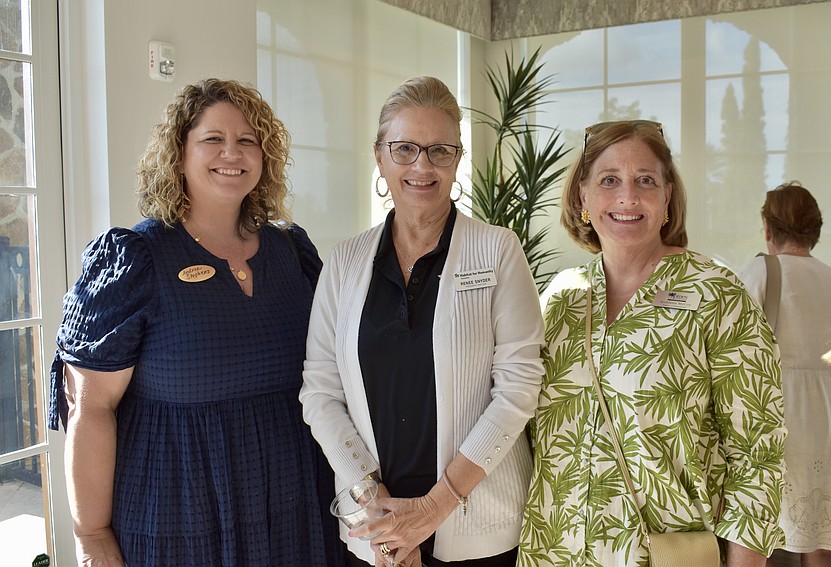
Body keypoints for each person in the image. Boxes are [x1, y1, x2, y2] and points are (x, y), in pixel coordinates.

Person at [48, 78, 342, 566]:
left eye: (248, 140)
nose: (232, 152)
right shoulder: (133, 259)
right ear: (178, 153)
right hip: (177, 516)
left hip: (292, 509)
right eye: (213, 139)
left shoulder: (293, 252)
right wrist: (92, 535)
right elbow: (90, 406)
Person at [299, 76, 545, 567]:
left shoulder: (497, 250)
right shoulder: (345, 262)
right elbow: (320, 389)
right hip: (375, 531)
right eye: (405, 148)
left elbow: (518, 386)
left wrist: (435, 508)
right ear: (379, 156)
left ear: (457, 159)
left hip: (478, 528)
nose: (422, 166)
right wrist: (382, 514)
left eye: (439, 151)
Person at [517, 120, 787, 567]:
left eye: (645, 180)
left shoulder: (714, 293)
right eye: (609, 181)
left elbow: (758, 452)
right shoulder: (559, 299)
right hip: (553, 552)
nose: (627, 197)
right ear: (583, 195)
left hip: (664, 555)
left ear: (666, 198)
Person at [739, 181, 831, 567]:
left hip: (775, 415)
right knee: (820, 540)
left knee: (758, 537)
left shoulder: (758, 272)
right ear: (814, 230)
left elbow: (730, 347)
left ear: (768, 229)